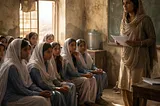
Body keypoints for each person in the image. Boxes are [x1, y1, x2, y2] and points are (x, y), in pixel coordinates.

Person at [117, 0, 158, 106]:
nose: (124, 6)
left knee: (138, 86)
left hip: (139, 58)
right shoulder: (123, 21)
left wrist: (138, 43)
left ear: (135, 4)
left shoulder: (145, 20)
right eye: (123, 3)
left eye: (128, 3)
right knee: (125, 85)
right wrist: (119, 41)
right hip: (125, 57)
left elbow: (152, 39)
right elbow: (124, 37)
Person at [0, 39, 51, 106]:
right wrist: (38, 93)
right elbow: (20, 89)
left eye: (28, 49)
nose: (28, 52)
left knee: (46, 98)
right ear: (17, 50)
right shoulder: (11, 66)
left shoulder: (22, 63)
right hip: (12, 98)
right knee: (41, 101)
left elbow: (30, 84)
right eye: (25, 50)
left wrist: (41, 91)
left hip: (21, 94)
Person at [61, 38, 98, 106]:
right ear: (67, 46)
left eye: (75, 45)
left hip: (76, 76)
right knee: (85, 80)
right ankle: (82, 102)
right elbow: (71, 73)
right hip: (69, 78)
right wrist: (84, 75)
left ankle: (90, 101)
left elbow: (80, 68)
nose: (74, 47)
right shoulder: (65, 57)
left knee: (92, 79)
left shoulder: (73, 55)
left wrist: (77, 58)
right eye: (72, 45)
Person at [76, 39, 108, 105]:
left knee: (103, 74)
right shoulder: (77, 56)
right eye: (81, 46)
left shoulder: (87, 55)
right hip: (84, 73)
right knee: (96, 76)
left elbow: (93, 65)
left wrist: (97, 69)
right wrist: (94, 71)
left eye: (84, 45)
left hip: (90, 71)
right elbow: (81, 69)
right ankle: (97, 97)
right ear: (77, 47)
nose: (83, 47)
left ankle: (99, 94)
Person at [50, 42, 77, 106]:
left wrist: (63, 80)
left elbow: (62, 73)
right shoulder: (50, 60)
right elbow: (53, 75)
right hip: (54, 81)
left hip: (59, 79)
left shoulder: (60, 59)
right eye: (55, 49)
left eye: (59, 49)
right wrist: (61, 82)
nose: (58, 51)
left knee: (72, 86)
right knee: (70, 86)